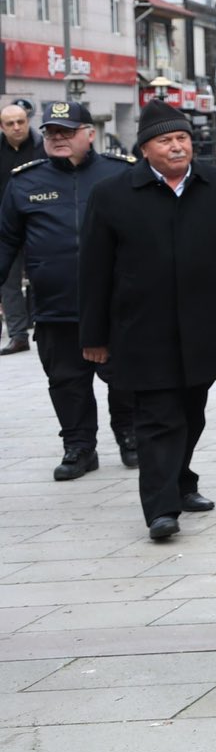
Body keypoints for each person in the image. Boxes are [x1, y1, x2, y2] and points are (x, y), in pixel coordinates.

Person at [79, 100, 216, 541]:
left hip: (204, 324)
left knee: (191, 412)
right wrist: (94, 335)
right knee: (158, 416)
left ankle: (182, 480)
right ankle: (161, 510)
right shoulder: (112, 194)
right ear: (145, 149)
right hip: (141, 328)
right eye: (166, 140)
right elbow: (94, 269)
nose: (177, 147)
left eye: (182, 138)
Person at [0, 102, 137, 477]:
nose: (58, 138)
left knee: (125, 376)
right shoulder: (25, 181)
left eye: (67, 131)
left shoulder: (120, 174)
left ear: (88, 134)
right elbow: (5, 241)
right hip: (56, 305)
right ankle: (78, 447)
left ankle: (129, 436)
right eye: (51, 132)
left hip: (116, 306)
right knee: (65, 380)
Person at [0, 99, 44, 355]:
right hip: (6, 227)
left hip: (37, 222)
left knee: (42, 275)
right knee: (7, 281)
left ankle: (42, 324)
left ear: (28, 122)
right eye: (10, 123)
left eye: (21, 122)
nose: (16, 127)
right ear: (2, 127)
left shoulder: (43, 148)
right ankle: (18, 335)